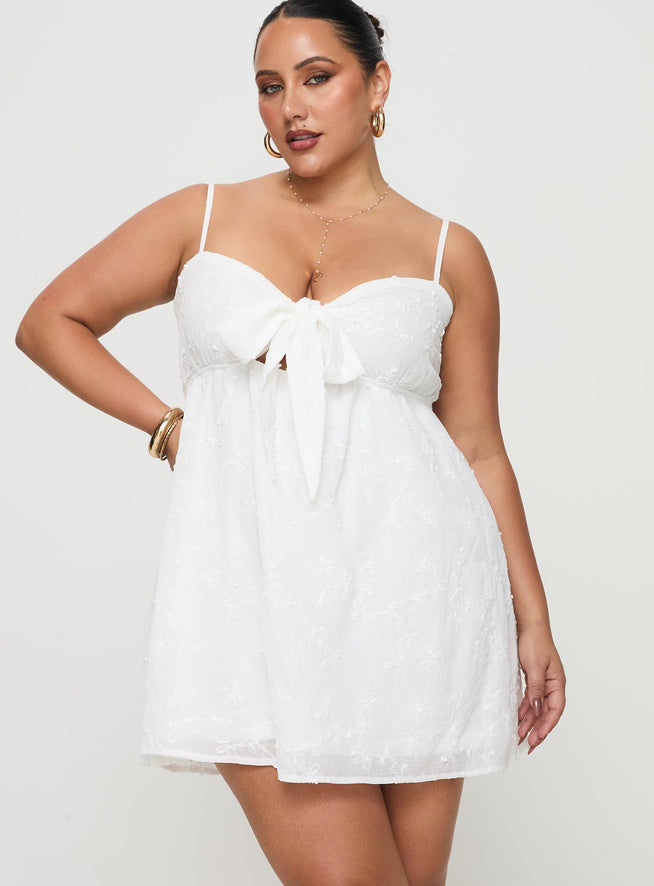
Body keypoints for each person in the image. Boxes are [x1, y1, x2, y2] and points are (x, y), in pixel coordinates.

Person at [15, 1, 566, 883]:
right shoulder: (202, 215)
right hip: (252, 595)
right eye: (270, 87)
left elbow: (478, 448)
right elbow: (50, 322)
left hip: (416, 601)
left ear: (377, 85)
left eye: (317, 78)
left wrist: (533, 621)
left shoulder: (448, 253)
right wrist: (168, 428)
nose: (291, 108)